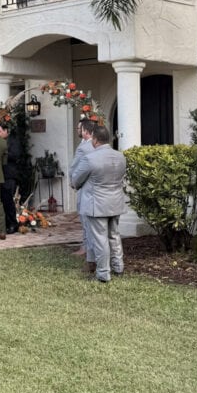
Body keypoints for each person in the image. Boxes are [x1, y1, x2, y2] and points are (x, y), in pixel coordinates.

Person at [69, 126, 127, 283]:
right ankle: (118, 267)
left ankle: (103, 273)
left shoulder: (90, 158)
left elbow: (75, 180)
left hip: (97, 204)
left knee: (100, 238)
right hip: (115, 202)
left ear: (94, 139)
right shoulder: (121, 156)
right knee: (114, 235)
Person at [69, 119, 97, 260]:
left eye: (79, 128)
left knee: (84, 216)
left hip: (84, 185)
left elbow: (76, 166)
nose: (78, 130)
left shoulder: (84, 147)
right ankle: (86, 246)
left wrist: (73, 181)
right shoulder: (96, 145)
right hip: (95, 187)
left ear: (85, 131)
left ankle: (86, 247)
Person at [0, 124, 21, 234]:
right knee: (1, 201)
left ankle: (13, 224)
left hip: (9, 175)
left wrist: (1, 153)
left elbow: (15, 155)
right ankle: (4, 224)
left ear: (6, 131)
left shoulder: (13, 141)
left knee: (9, 201)